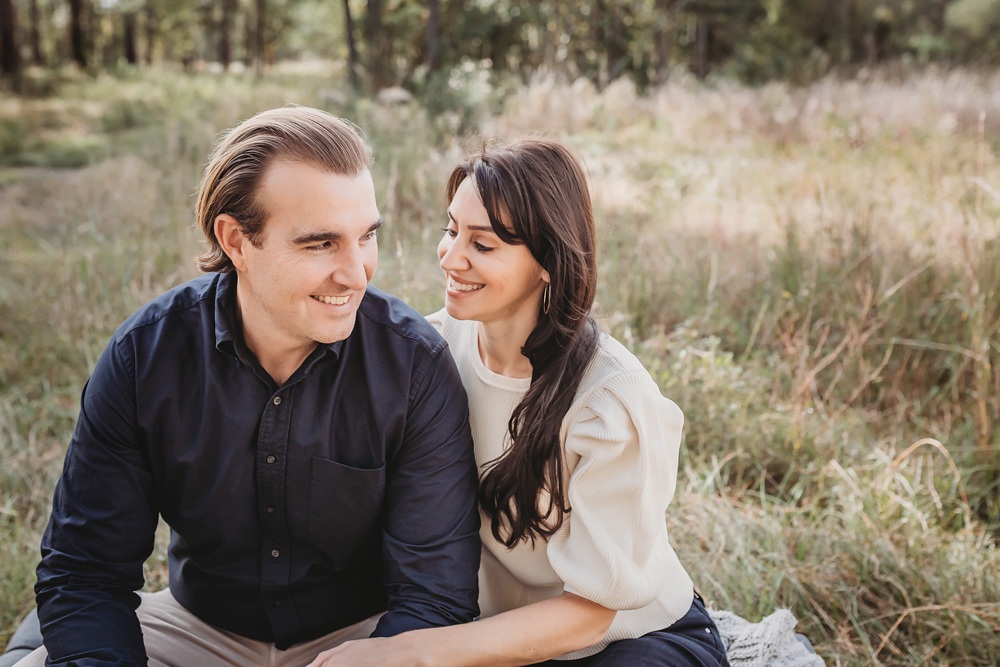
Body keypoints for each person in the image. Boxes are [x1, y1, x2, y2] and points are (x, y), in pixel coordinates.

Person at [12, 107, 482, 667]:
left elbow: (435, 598)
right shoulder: (145, 357)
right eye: (319, 244)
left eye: (366, 237)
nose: (356, 273)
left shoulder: (414, 367)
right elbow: (85, 571)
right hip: (198, 628)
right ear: (236, 240)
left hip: (366, 638)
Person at [306, 138, 729, 667]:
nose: (450, 256)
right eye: (451, 230)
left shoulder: (608, 399)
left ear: (548, 264)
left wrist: (413, 652)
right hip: (483, 633)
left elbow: (594, 611)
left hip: (624, 641)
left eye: (482, 245)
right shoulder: (427, 357)